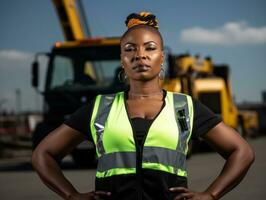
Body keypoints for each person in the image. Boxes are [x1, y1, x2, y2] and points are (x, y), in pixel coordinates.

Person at [32, 12, 255, 200]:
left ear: (162, 57)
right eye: (130, 49)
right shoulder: (101, 107)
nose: (140, 55)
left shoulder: (184, 107)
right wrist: (71, 196)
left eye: (150, 48)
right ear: (122, 59)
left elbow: (242, 152)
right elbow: (43, 154)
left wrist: (211, 195)